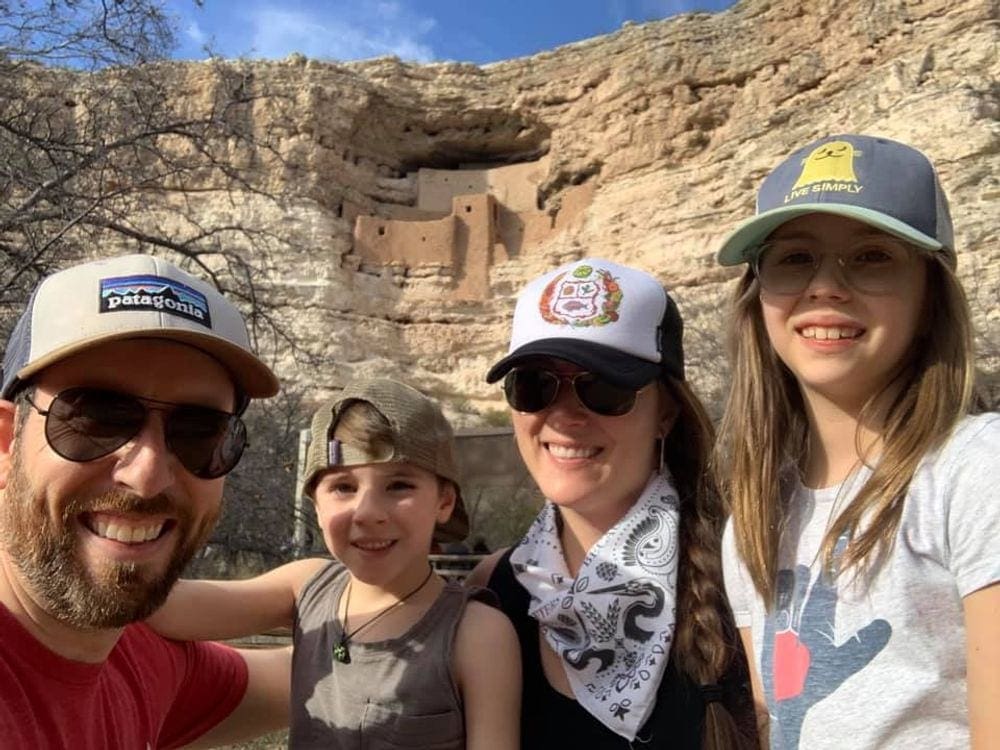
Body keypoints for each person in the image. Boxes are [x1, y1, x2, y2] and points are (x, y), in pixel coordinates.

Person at [713, 134, 1000, 749]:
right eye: (794, 258)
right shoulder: (755, 520)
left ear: (930, 295)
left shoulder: (975, 471)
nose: (826, 287)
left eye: (871, 257)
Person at [0, 254, 290, 747]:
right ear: (5, 443)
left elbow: (330, 668)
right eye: (95, 419)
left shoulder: (138, 663)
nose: (148, 475)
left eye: (199, 432)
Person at [467, 258, 754, 749]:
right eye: (536, 385)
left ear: (666, 412)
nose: (563, 416)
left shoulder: (745, 576)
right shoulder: (493, 592)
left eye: (603, 388)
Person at [148, 378, 521, 749]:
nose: (368, 513)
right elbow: (163, 608)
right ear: (317, 505)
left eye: (399, 486)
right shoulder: (307, 586)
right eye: (343, 487)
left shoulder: (476, 634)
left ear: (444, 501)